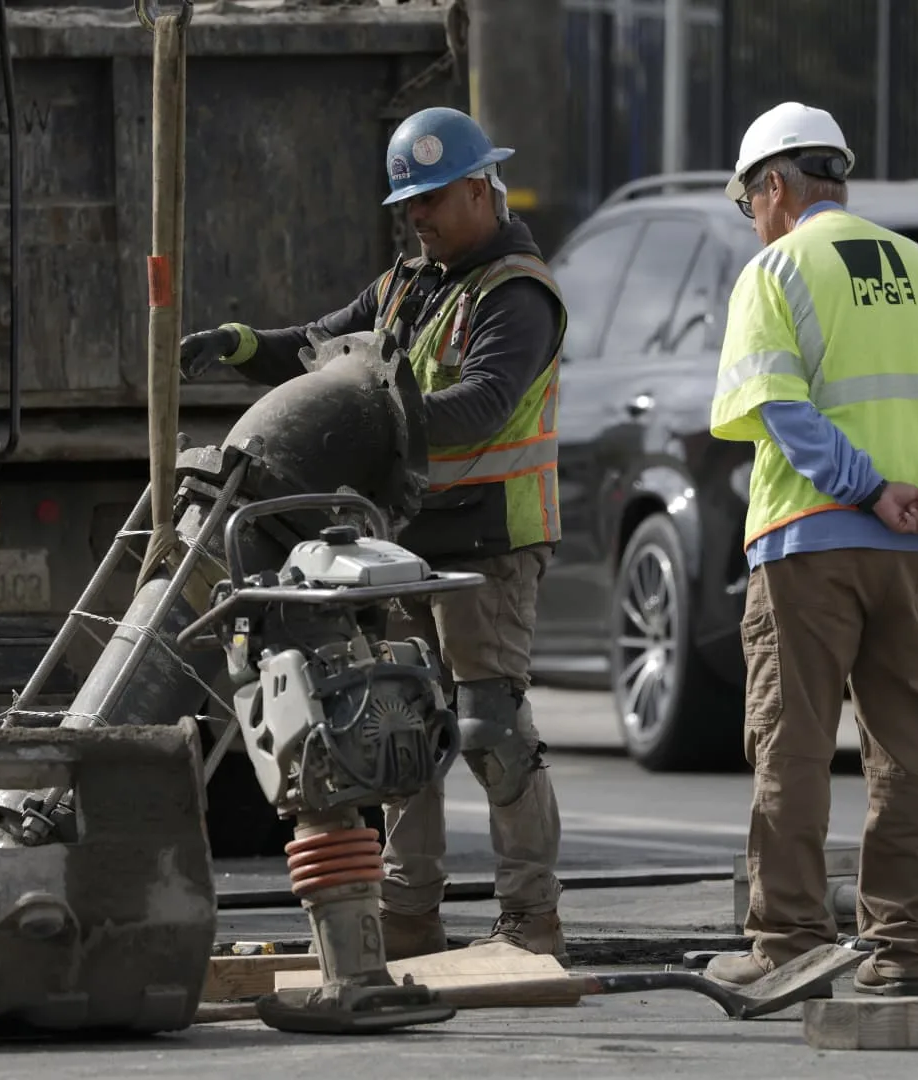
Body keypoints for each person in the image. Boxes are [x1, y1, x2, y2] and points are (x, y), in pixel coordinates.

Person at [178, 107, 571, 963]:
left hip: (489, 543)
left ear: (480, 187)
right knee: (392, 725)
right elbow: (320, 349)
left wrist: (378, 417)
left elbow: (482, 405)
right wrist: (241, 343)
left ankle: (531, 920)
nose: (418, 217)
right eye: (409, 204)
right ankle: (408, 914)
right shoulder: (409, 280)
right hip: (401, 542)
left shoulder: (517, 294)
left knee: (491, 730)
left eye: (432, 199)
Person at [702, 101, 918, 996]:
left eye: (748, 201)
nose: (752, 220)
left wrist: (868, 488)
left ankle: (790, 946)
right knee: (913, 759)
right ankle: (901, 952)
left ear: (774, 187)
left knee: (791, 749)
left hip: (810, 547)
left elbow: (785, 411)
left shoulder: (777, 271)